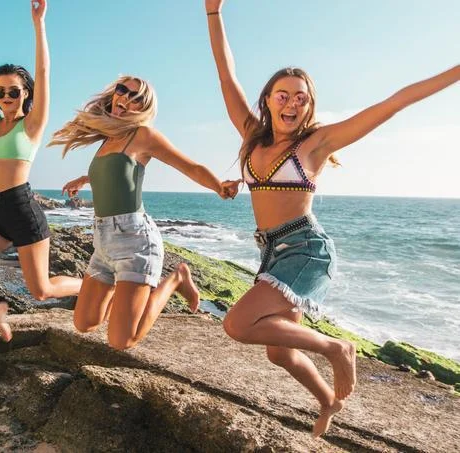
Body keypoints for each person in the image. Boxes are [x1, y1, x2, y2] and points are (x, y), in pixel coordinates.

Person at [204, 0, 460, 436]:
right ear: (267, 99)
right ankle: (327, 402)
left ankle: (337, 348)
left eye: (301, 99)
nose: (291, 103)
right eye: (282, 95)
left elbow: (395, 102)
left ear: (309, 107)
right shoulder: (250, 136)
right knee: (279, 352)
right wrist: (214, 13)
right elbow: (226, 74)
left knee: (237, 323)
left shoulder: (316, 144)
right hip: (271, 250)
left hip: (306, 249)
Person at [51, 75, 241, 350]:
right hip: (103, 242)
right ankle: (126, 293)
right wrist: (84, 179)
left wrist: (219, 187)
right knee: (85, 323)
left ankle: (177, 277)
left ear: (143, 108)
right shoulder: (109, 138)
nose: (126, 99)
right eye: (123, 91)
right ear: (113, 93)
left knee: (121, 340)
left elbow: (190, 167)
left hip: (135, 241)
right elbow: (117, 173)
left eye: (136, 98)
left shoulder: (143, 136)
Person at [0, 0, 81, 342]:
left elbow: (45, 71)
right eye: (0, 91)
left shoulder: (32, 126)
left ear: (25, 93)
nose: (5, 96)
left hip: (22, 210)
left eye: (13, 91)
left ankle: (94, 284)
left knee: (41, 289)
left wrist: (39, 25)